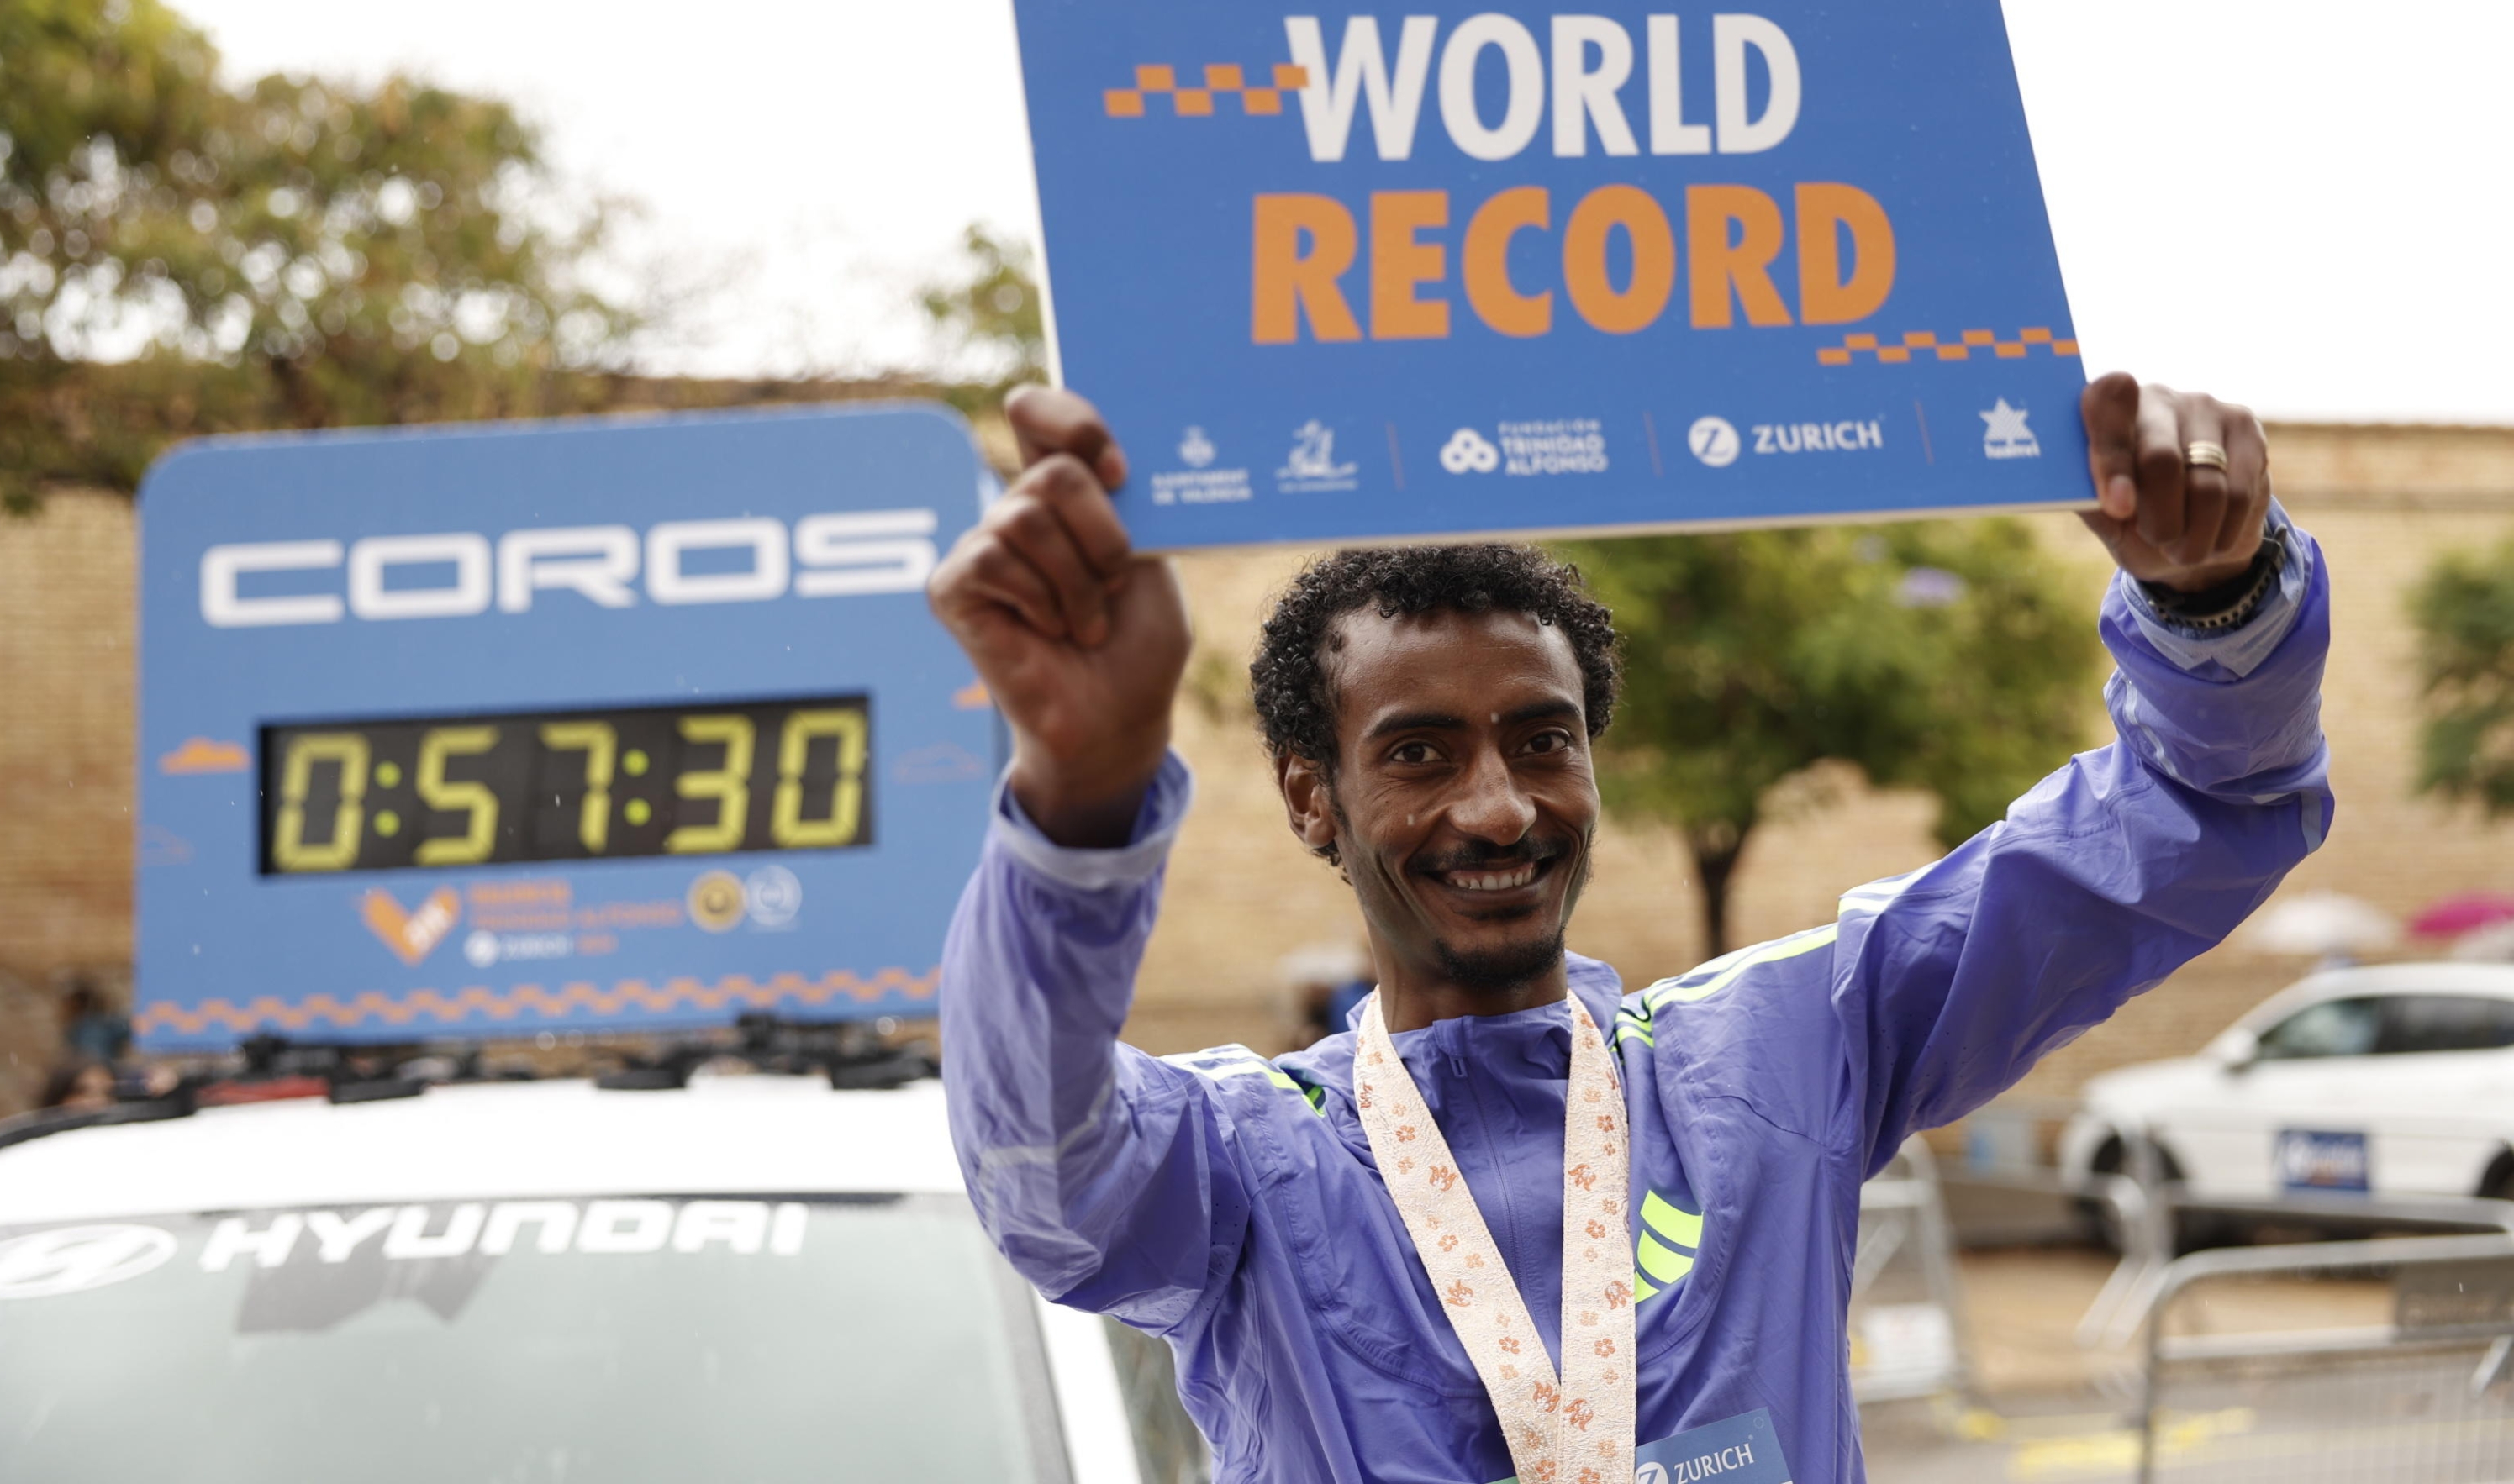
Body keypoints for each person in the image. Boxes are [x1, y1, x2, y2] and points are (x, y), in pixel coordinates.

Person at [930, 375, 2327, 1484]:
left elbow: (2189, 814)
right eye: (1418, 755)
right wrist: (1081, 792)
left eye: (1541, 740)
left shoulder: (1787, 1051)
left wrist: (2213, 603)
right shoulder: (1242, 1161)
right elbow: (1035, 1165)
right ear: (1314, 799)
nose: (1497, 809)